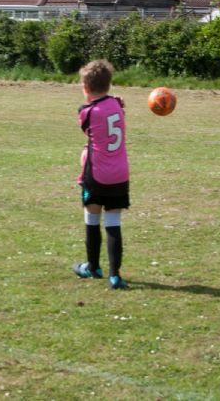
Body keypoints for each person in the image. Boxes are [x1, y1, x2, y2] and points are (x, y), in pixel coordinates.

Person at [72, 60, 130, 290]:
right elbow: (112, 108)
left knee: (92, 218)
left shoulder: (86, 112)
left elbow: (87, 125)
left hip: (97, 174)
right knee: (114, 222)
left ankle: (93, 267)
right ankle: (115, 276)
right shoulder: (117, 105)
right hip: (120, 174)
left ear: (86, 87)